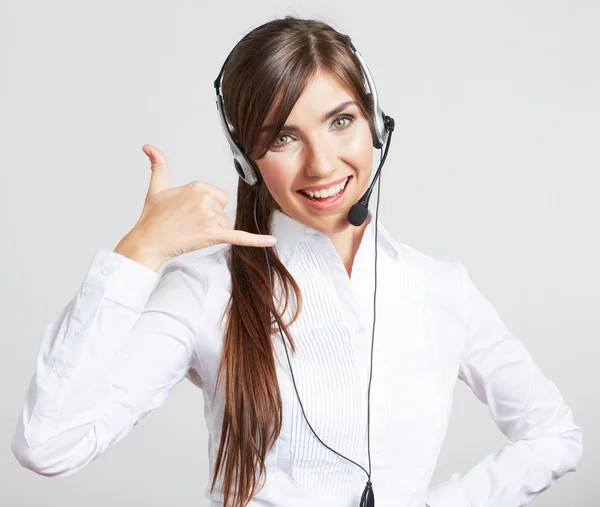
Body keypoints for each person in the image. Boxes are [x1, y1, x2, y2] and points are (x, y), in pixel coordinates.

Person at [11, 16, 582, 507]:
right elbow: (48, 445)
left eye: (341, 121)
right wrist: (140, 251)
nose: (322, 165)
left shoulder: (439, 288)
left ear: (376, 123)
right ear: (247, 158)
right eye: (283, 138)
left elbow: (554, 435)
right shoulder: (208, 291)